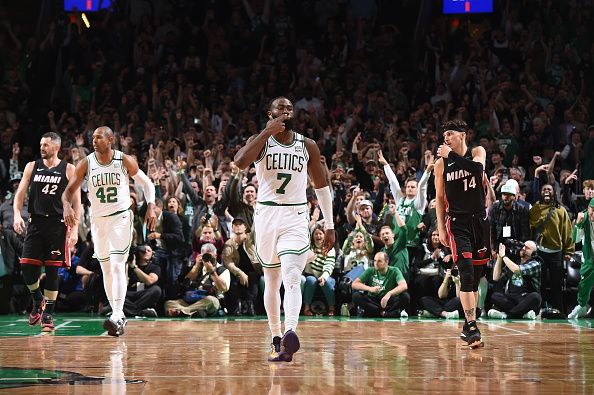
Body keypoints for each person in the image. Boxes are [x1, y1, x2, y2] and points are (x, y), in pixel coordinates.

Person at [234, 97, 335, 363]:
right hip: (266, 215)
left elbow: (322, 186)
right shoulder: (262, 140)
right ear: (270, 114)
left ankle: (291, 333)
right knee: (272, 280)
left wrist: (330, 224)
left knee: (292, 276)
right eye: (281, 109)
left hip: (295, 215)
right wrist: (267, 131)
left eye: (290, 108)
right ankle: (276, 336)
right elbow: (240, 162)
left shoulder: (307, 145)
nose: (286, 112)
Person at [62, 126, 156, 337]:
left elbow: (147, 183)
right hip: (98, 221)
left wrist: (150, 204)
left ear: (110, 139)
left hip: (121, 217)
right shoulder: (86, 163)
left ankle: (117, 313)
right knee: (106, 269)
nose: (93, 141)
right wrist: (67, 205)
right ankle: (117, 313)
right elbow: (68, 192)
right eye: (92, 138)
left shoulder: (124, 160)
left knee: (116, 264)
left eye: (98, 137)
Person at [12, 132, 79, 332]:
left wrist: (74, 229)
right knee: (26, 266)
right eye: (41, 144)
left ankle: (48, 314)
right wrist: (17, 214)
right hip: (35, 222)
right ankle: (37, 299)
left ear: (56, 147)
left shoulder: (68, 169)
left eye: (46, 145)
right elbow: (20, 193)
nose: (42, 148)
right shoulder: (32, 166)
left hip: (58, 225)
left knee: (52, 270)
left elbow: (77, 203)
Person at [434, 119, 490, 349]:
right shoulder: (440, 164)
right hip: (457, 223)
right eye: (444, 135)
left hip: (480, 221)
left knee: (476, 276)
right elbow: (439, 198)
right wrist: (440, 227)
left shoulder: (478, 151)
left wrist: (451, 155)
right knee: (465, 272)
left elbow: (477, 169)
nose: (445, 138)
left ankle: (468, 326)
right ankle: (472, 324)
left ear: (462, 135)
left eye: (450, 134)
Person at [488, 241, 541, 320]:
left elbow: (517, 270)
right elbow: (495, 277)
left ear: (533, 253)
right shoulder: (514, 262)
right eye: (523, 246)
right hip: (512, 299)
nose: (523, 248)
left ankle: (507, 315)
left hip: (526, 299)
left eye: (527, 248)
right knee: (495, 296)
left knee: (536, 297)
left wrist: (504, 256)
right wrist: (499, 257)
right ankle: (522, 314)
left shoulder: (535, 264)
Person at [351, 251, 409, 317]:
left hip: (388, 301)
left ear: (386, 262)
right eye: (375, 261)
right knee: (356, 296)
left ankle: (383, 313)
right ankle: (384, 313)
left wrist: (389, 294)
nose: (376, 263)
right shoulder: (370, 270)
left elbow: (404, 286)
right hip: (374, 301)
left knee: (405, 296)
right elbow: (354, 284)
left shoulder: (394, 271)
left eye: (379, 261)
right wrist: (370, 288)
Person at [568, 198, 594, 319]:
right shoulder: (584, 218)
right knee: (584, 284)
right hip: (589, 257)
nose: (593, 214)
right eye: (592, 210)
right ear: (588, 209)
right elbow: (576, 239)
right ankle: (581, 306)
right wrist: (578, 223)